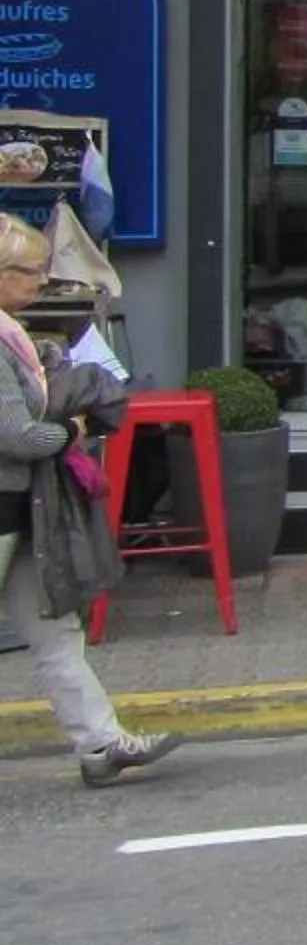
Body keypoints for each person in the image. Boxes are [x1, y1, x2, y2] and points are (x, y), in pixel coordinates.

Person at [0, 212, 180, 785]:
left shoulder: (12, 335)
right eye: (31, 272)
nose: (41, 282)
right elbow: (18, 436)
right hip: (7, 506)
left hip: (20, 510)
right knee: (54, 630)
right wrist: (71, 431)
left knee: (56, 630)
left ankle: (101, 744)